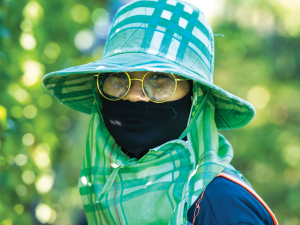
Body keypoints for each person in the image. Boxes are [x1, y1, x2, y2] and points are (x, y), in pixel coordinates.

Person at [42, 0, 278, 224]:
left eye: (160, 80)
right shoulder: (107, 192)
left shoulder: (224, 208)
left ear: (196, 98)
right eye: (117, 78)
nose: (134, 96)